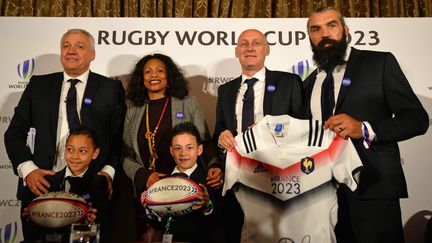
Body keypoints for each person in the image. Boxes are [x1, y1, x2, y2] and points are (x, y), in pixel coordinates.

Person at [303, 7, 429, 243]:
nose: (324, 34)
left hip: (373, 188)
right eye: (316, 29)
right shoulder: (309, 82)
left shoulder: (379, 63)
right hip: (323, 195)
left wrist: (364, 128)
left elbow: (417, 119)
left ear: (346, 30)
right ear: (310, 37)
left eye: (332, 25)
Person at [4, 28, 126, 242]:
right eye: (66, 45)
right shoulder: (38, 85)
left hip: (91, 186)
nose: (71, 51)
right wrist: (28, 170)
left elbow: (118, 138)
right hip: (41, 184)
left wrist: (107, 172)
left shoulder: (111, 88)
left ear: (92, 55)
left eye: (80, 46)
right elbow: (14, 133)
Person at [214, 29, 305, 243]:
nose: (249, 48)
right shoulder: (225, 90)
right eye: (244, 44)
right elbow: (218, 129)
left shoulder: (289, 82)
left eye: (256, 43)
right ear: (237, 52)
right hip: (236, 175)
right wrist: (221, 136)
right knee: (234, 233)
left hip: (277, 176)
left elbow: (303, 127)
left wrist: (272, 128)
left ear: (267, 49)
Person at [122, 53, 222, 241]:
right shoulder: (133, 110)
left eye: (160, 71)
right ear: (141, 78)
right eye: (148, 71)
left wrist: (214, 165)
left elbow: (205, 142)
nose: (154, 75)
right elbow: (126, 155)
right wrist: (144, 176)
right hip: (148, 192)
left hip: (185, 189)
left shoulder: (188, 103)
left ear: (169, 77)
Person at [21, 127, 109, 242]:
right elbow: (28, 218)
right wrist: (31, 215)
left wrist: (93, 220)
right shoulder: (47, 181)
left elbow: (105, 220)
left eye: (82, 151)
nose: (75, 156)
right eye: (70, 149)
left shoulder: (99, 184)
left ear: (95, 153)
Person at [140, 122, 221, 243]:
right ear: (171, 151)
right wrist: (149, 207)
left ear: (199, 149)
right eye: (178, 148)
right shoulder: (161, 182)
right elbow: (158, 225)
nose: (183, 154)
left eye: (189, 147)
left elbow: (217, 223)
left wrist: (207, 205)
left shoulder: (210, 181)